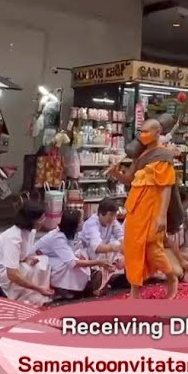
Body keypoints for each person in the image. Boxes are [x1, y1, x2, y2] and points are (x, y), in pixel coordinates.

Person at [107, 118, 180, 300]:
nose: (142, 135)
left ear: (157, 133)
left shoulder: (163, 155)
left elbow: (166, 188)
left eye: (146, 132)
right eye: (141, 132)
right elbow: (130, 180)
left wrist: (162, 216)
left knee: (153, 249)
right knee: (133, 249)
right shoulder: (140, 155)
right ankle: (135, 291)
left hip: (153, 210)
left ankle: (171, 277)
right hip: (135, 209)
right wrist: (116, 173)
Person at [0, 200, 52, 303]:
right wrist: (37, 288)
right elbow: (12, 274)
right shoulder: (13, 237)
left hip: (12, 267)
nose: (44, 220)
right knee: (27, 269)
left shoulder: (30, 231)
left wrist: (26, 259)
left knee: (42, 262)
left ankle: (35, 294)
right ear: (31, 220)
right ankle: (21, 297)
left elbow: (21, 255)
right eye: (41, 219)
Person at [35, 209, 114, 299]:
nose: (82, 223)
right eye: (80, 221)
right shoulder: (58, 238)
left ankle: (85, 282)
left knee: (81, 255)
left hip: (53, 258)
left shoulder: (70, 234)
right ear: (74, 225)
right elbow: (72, 262)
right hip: (40, 261)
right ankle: (62, 288)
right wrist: (98, 262)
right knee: (66, 264)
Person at [79, 198, 125, 277]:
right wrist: (116, 248)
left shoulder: (113, 221)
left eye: (115, 215)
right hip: (87, 256)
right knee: (114, 245)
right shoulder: (92, 224)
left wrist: (123, 254)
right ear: (101, 213)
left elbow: (122, 237)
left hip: (101, 255)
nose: (113, 218)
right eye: (111, 214)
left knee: (121, 247)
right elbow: (97, 247)